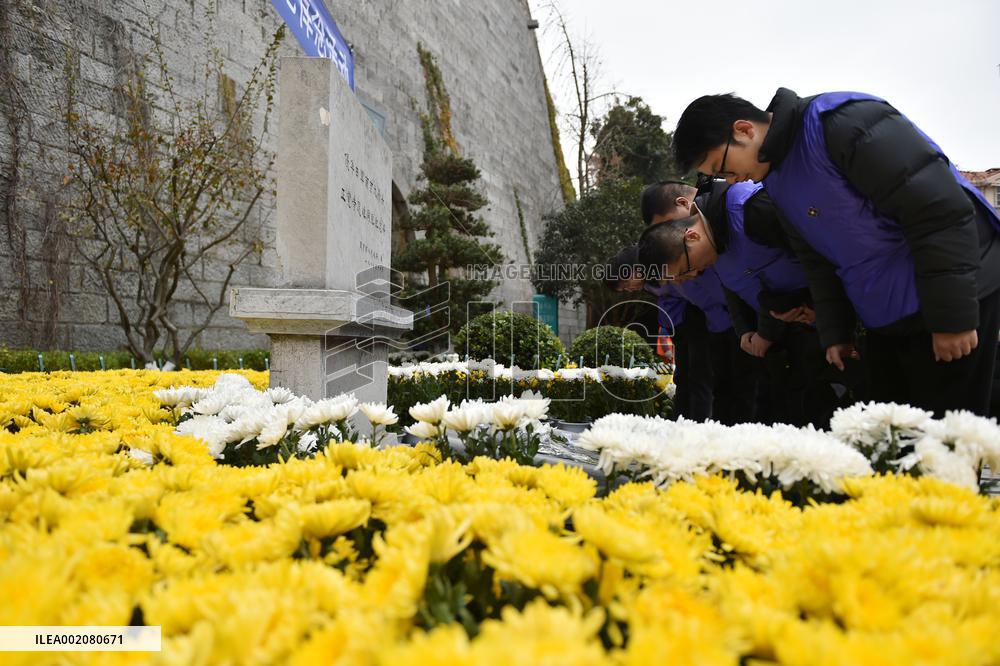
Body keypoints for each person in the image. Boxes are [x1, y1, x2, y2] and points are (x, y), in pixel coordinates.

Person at [670, 89, 1000, 416]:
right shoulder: (776, 181)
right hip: (887, 316)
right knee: (891, 442)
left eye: (724, 167)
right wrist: (836, 333)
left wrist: (951, 318)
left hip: (949, 296)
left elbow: (935, 209)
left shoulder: (841, 123)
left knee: (947, 444)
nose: (731, 179)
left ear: (744, 129)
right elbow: (818, 258)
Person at [638, 179, 847, 426]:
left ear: (691, 236)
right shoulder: (717, 245)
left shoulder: (747, 210)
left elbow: (820, 249)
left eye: (688, 269)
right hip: (791, 332)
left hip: (838, 326)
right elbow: (740, 288)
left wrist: (826, 315)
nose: (693, 277)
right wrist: (746, 330)